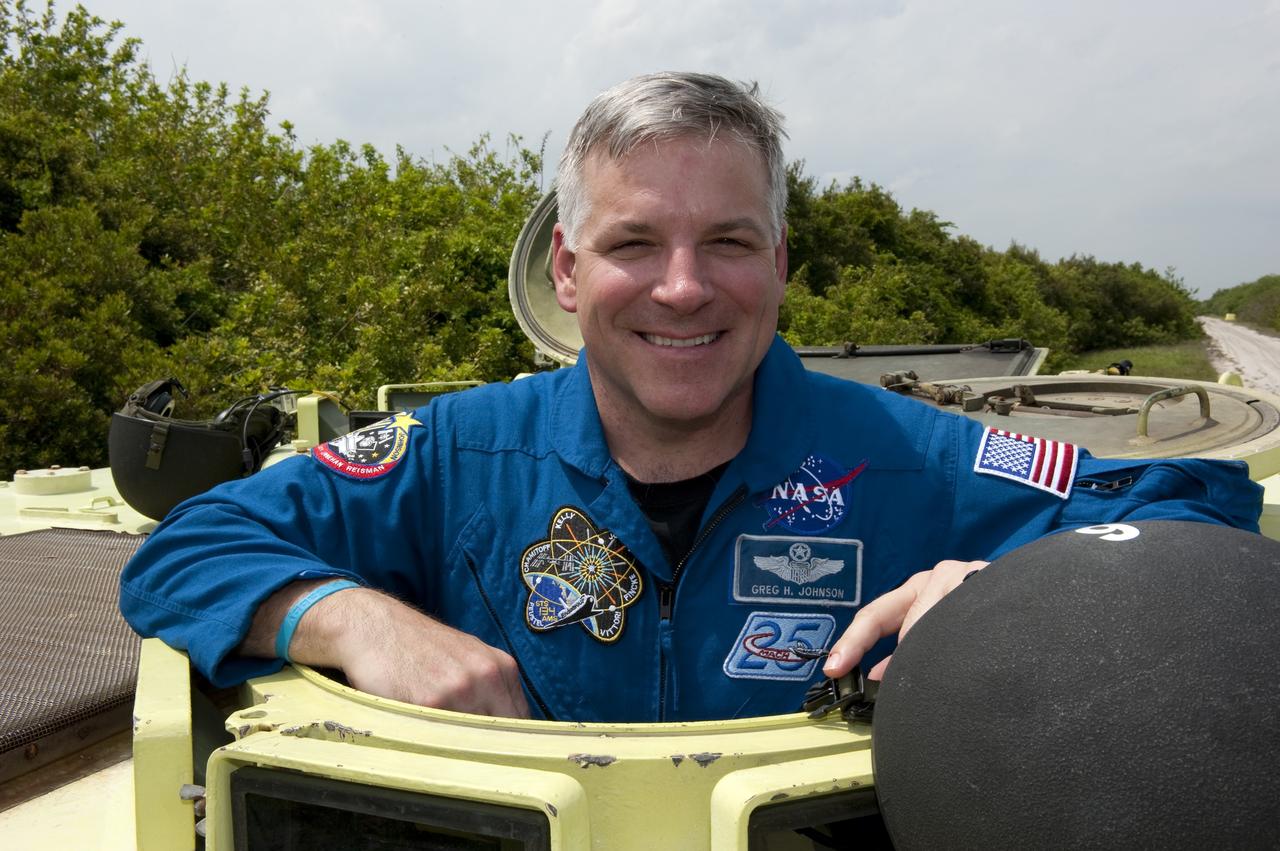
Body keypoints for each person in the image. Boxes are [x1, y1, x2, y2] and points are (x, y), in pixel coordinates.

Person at [119, 72, 1262, 723]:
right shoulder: (459, 450)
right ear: (565, 272)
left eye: (726, 239)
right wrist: (351, 616)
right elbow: (190, 544)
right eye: (632, 244)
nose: (681, 287)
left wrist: (1012, 587)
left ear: (778, 262)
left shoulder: (909, 456)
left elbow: (1198, 510)